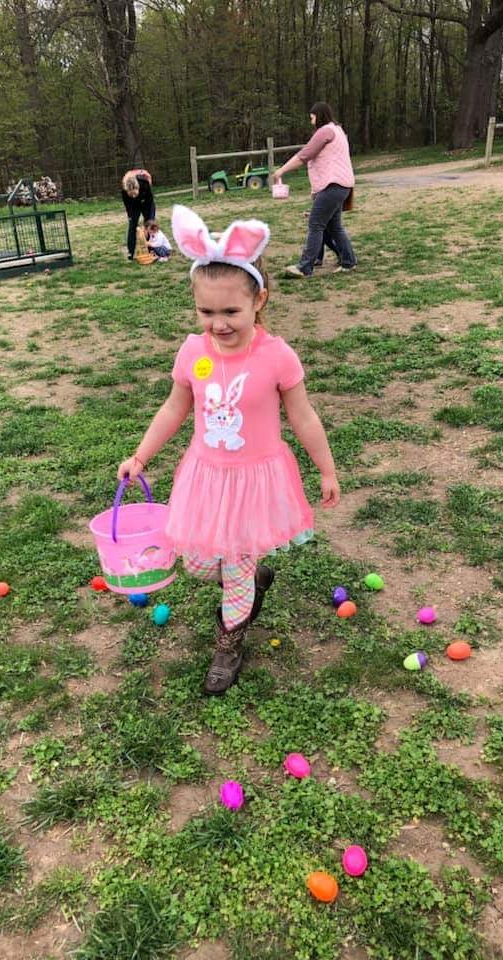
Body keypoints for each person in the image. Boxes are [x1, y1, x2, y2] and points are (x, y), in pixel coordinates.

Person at [117, 206, 341, 696]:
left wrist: (326, 470)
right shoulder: (193, 352)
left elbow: (303, 417)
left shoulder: (277, 356)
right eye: (206, 312)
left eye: (230, 312)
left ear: (258, 299)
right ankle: (250, 577)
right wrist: (140, 456)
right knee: (198, 562)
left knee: (234, 565)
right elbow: (174, 408)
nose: (218, 324)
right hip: (206, 476)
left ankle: (229, 642)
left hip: (254, 480)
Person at [273, 102, 357, 277]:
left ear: (319, 115)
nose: (311, 121)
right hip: (342, 185)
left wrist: (281, 171)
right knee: (334, 227)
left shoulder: (325, 131)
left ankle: (305, 267)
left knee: (316, 224)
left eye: (312, 117)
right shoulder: (338, 130)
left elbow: (304, 155)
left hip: (332, 185)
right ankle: (349, 262)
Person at [121, 169, 155, 260]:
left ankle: (151, 249)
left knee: (150, 223)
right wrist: (131, 217)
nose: (133, 196)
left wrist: (148, 220)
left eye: (134, 194)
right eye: (131, 194)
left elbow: (150, 200)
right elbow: (128, 206)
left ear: (137, 187)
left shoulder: (144, 183)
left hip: (146, 201)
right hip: (133, 205)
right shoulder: (124, 191)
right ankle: (130, 252)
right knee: (132, 225)